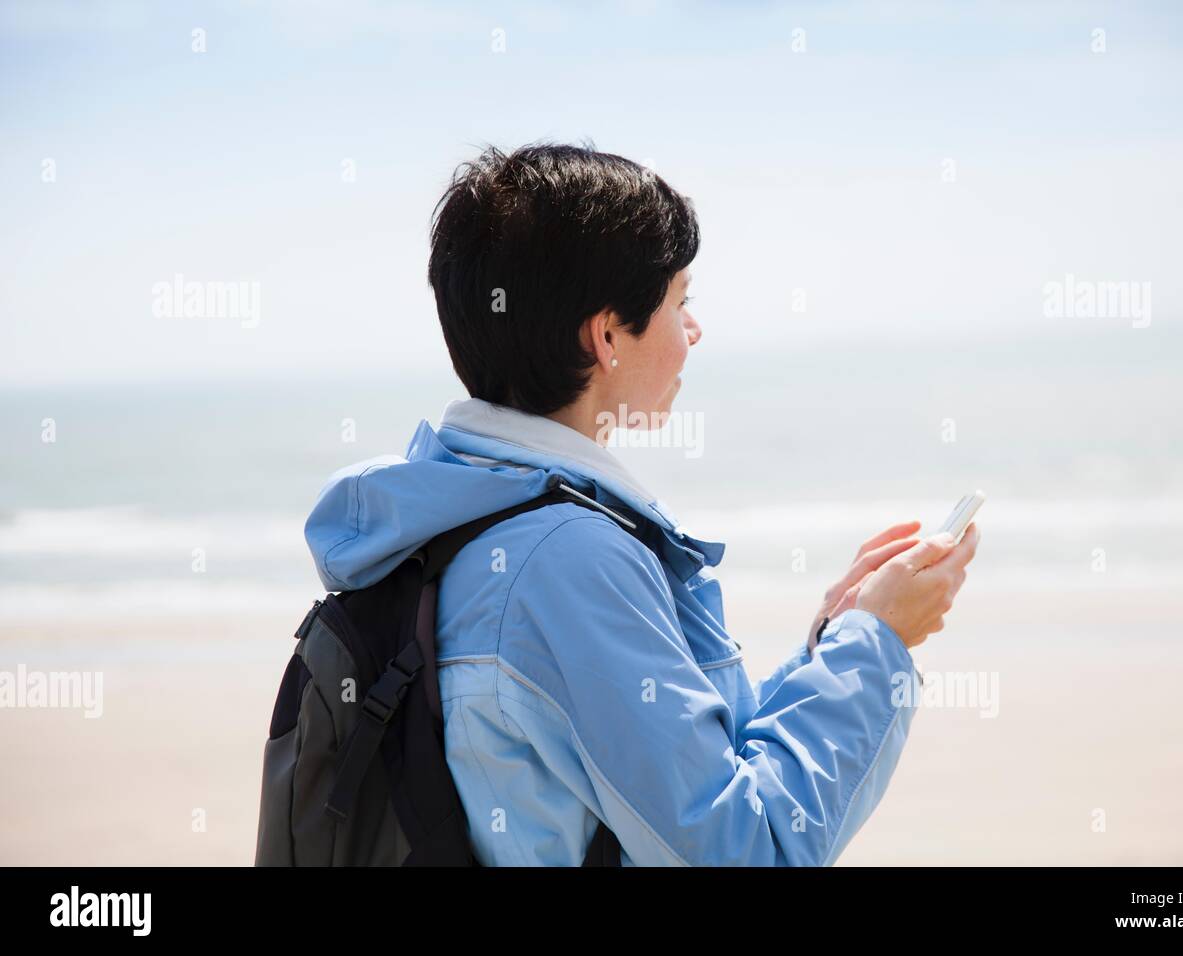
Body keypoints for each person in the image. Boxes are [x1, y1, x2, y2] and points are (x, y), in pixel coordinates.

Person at [304, 142, 979, 865]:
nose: (693, 330)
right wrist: (874, 649)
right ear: (607, 337)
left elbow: (697, 780)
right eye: (679, 301)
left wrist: (831, 644)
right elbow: (745, 849)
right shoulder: (563, 561)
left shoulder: (459, 511)